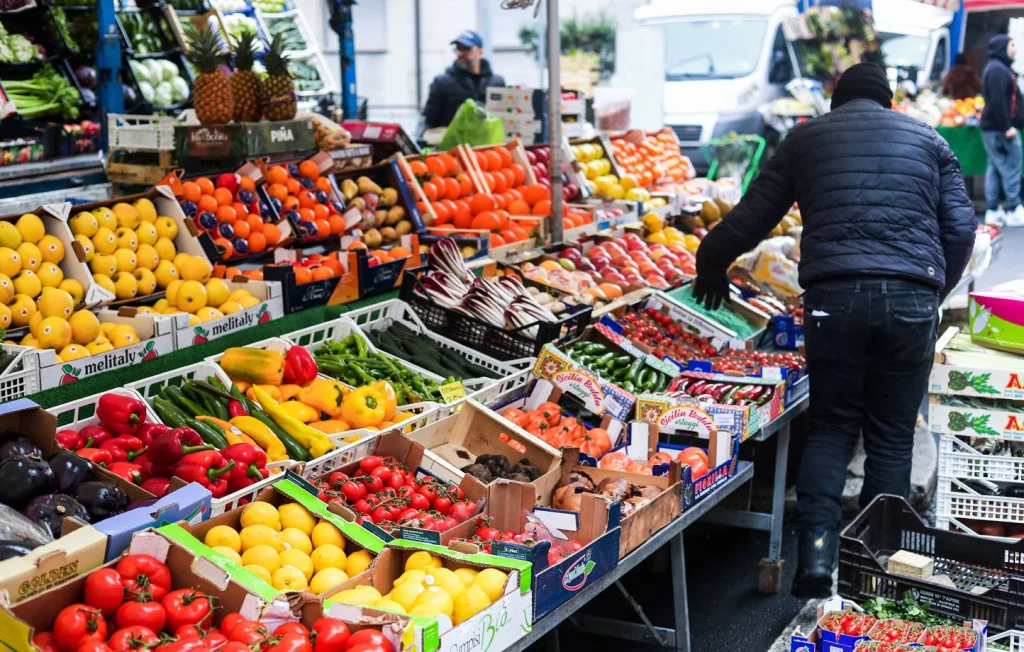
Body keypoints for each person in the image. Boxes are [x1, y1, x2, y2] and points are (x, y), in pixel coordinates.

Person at [692, 63, 976, 598]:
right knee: (891, 439)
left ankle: (817, 562)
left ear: (835, 102)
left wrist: (711, 263)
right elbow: (961, 228)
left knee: (832, 429)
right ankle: (877, 566)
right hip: (911, 299)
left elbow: (751, 216)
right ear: (889, 100)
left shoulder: (806, 139)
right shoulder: (930, 139)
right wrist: (933, 288)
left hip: (833, 302)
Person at [422, 29, 506, 130]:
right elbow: (430, 121)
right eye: (458, 49)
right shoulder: (442, 83)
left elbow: (505, 119)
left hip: (490, 144)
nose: (460, 54)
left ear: (480, 51)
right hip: (454, 144)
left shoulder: (496, 82)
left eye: (466, 49)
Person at [981, 35, 1024, 226]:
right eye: (1012, 45)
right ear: (1002, 48)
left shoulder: (999, 68)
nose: (1014, 49)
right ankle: (1014, 207)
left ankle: (993, 209)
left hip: (995, 128)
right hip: (1000, 129)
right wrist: (1007, 127)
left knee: (996, 168)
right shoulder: (998, 70)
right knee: (1011, 166)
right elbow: (997, 101)